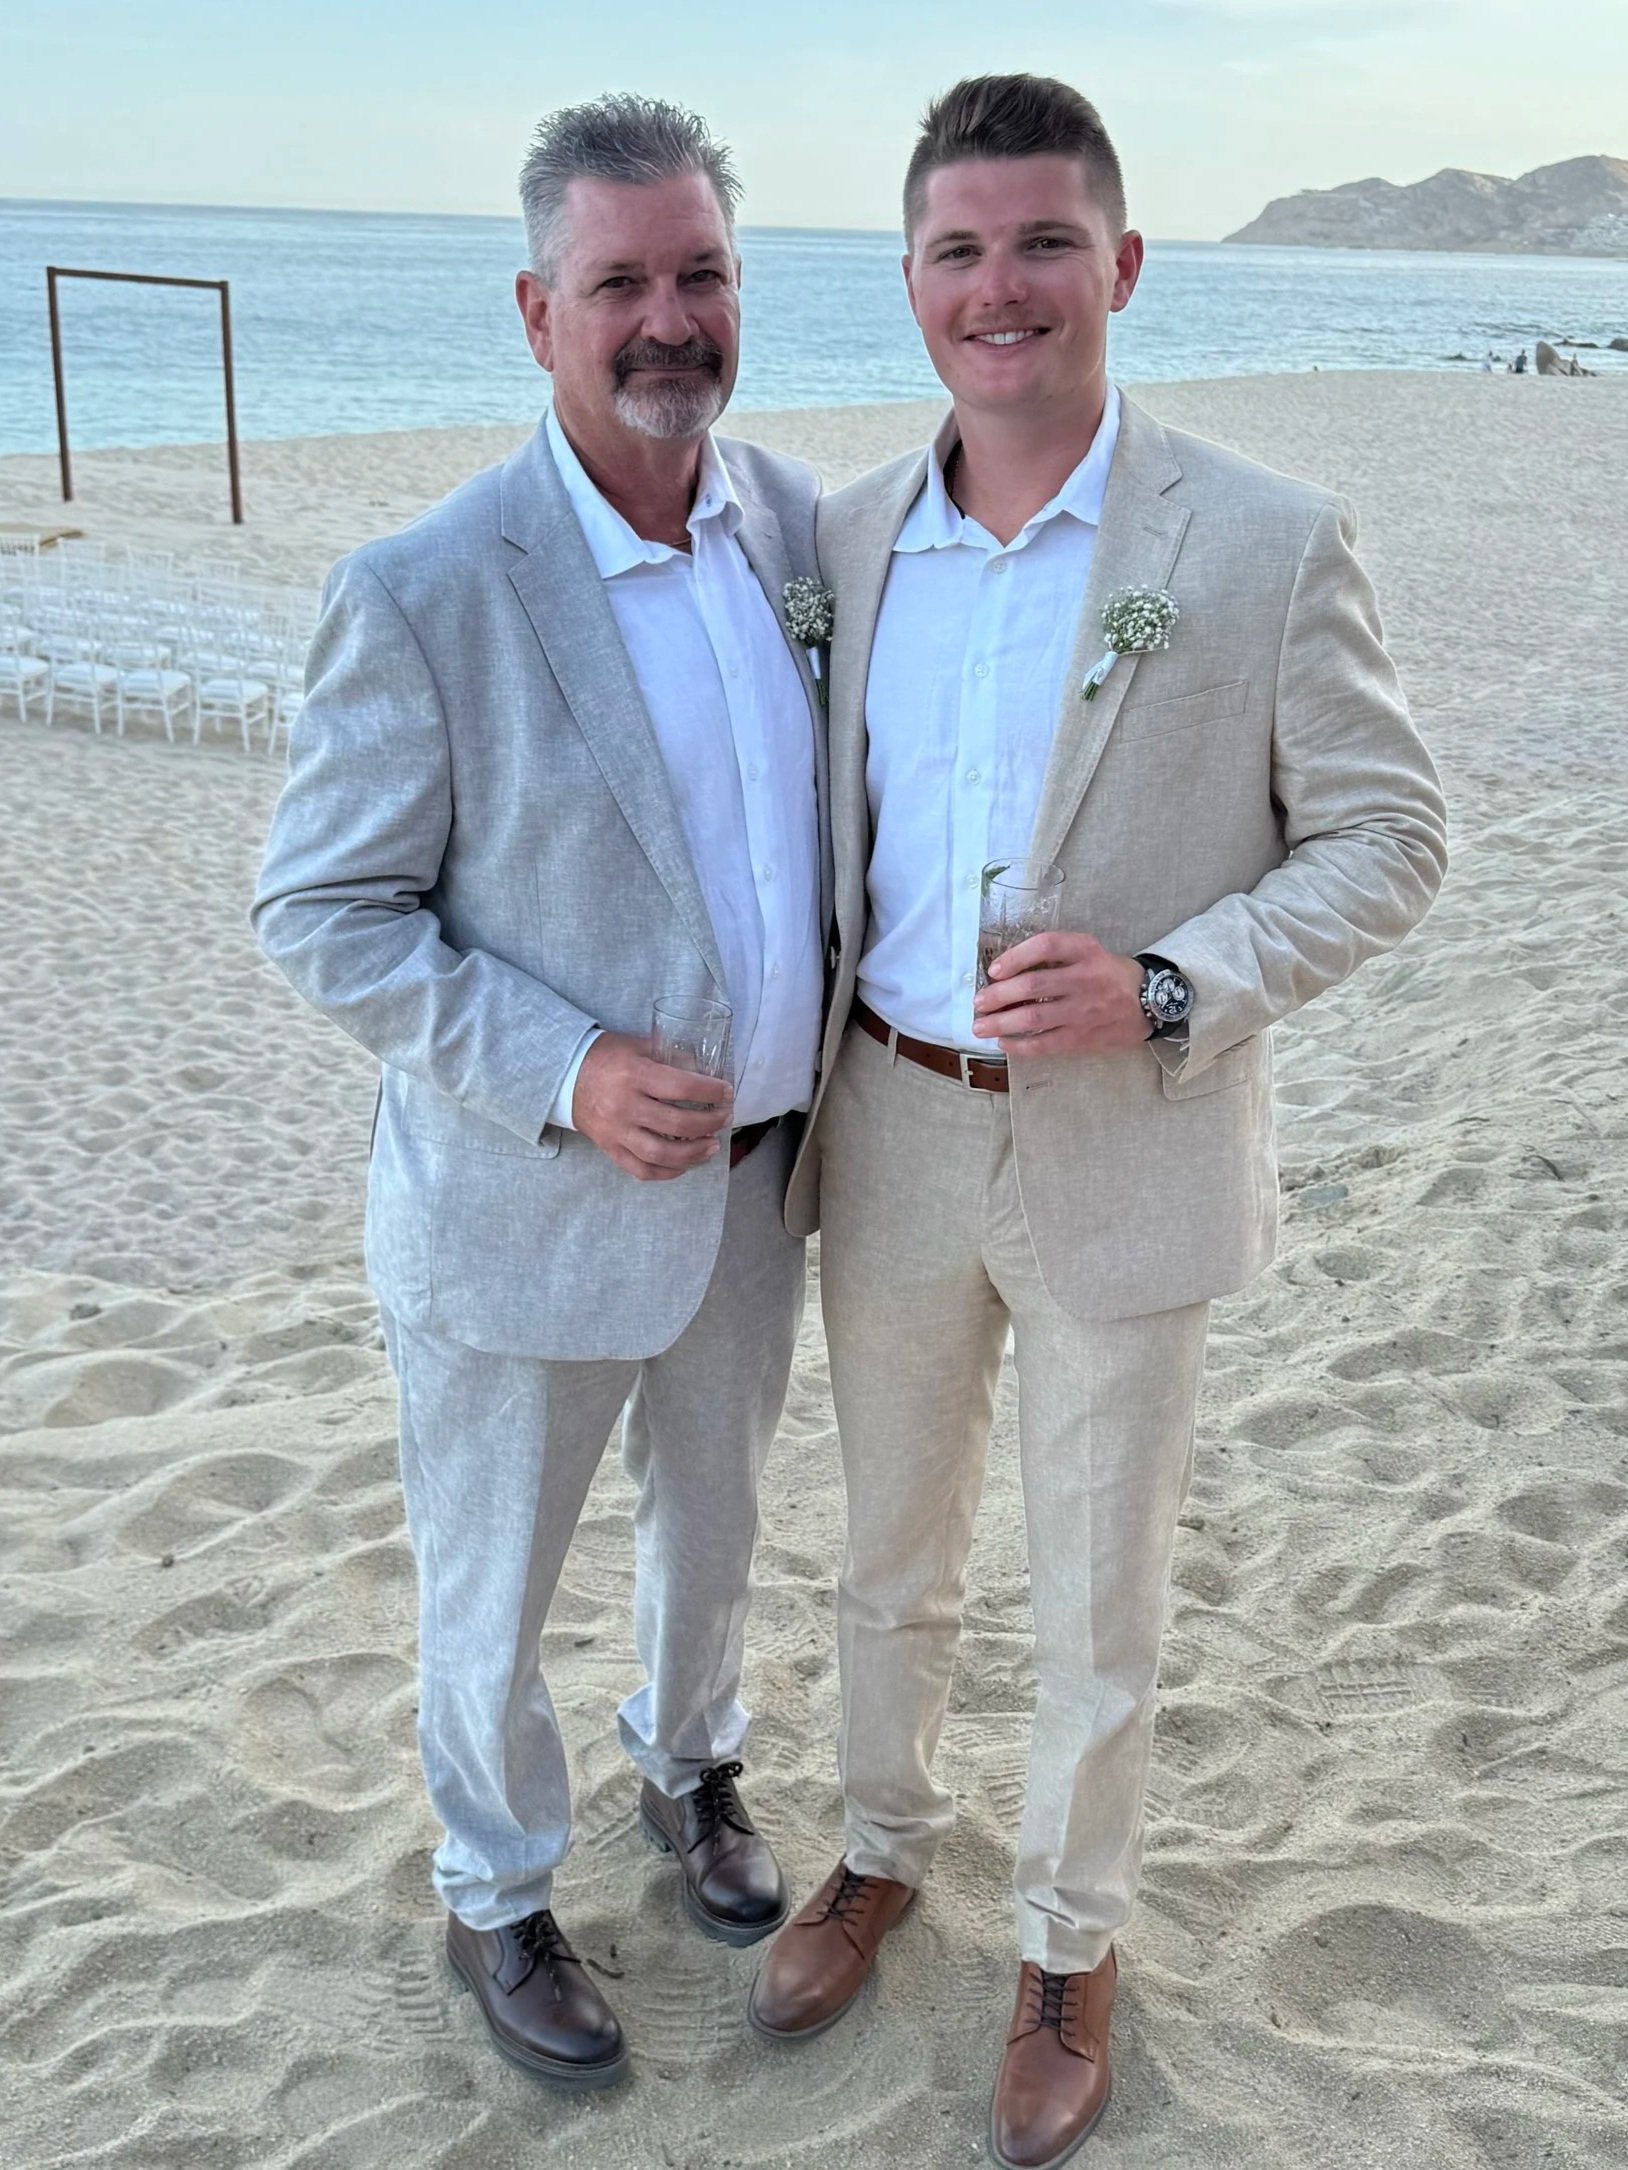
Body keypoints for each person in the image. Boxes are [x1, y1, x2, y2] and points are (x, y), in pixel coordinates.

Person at [749, 73, 1447, 2169]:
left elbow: (1389, 835)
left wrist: (1169, 979)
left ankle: (1070, 1936)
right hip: (884, 1133)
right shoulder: (845, 535)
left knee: (1096, 1591)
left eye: (1041, 242)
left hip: (1124, 1137)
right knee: (885, 1551)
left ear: (1119, 265)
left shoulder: (1256, 536)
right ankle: (878, 1845)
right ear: (905, 283)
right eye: (956, 250)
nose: (999, 287)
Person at [253, 93, 829, 2091]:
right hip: (519, 1203)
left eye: (698, 276)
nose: (665, 319)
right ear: (535, 308)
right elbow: (320, 906)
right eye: (618, 285)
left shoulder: (796, 530)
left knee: (717, 1528)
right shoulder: (425, 586)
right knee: (490, 1576)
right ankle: (496, 1882)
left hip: (760, 1187)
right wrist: (563, 1063)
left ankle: (688, 1772)